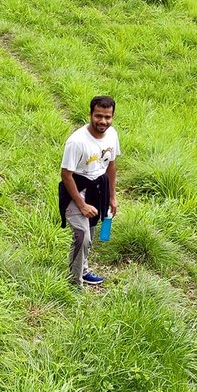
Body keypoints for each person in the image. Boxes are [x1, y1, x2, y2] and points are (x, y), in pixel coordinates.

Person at [58, 96, 120, 288]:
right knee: (82, 235)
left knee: (90, 234)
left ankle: (83, 271)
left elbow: (111, 165)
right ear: (90, 115)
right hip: (76, 189)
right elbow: (66, 175)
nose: (103, 121)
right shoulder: (76, 141)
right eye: (98, 116)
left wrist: (112, 197)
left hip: (98, 188)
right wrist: (82, 205)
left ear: (112, 117)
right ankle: (74, 282)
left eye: (107, 117)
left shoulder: (112, 135)